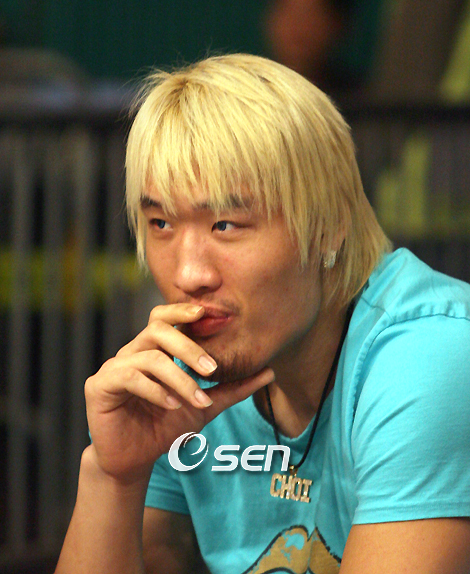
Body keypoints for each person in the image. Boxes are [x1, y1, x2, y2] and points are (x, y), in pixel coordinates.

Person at [55, 54, 470, 574]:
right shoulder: (186, 371)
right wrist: (113, 476)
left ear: (328, 226)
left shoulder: (431, 356)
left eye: (225, 224)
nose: (188, 273)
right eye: (161, 223)